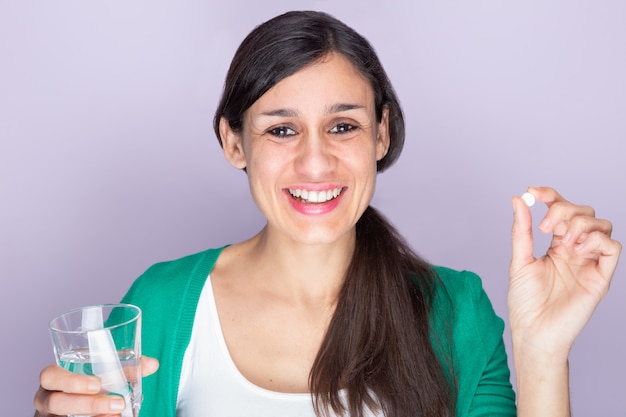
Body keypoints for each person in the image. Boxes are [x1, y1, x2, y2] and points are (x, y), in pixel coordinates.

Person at [33, 10, 621, 417]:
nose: (316, 163)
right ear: (234, 143)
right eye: (281, 129)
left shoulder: (457, 312)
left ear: (381, 134)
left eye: (343, 126)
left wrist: (544, 351)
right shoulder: (161, 301)